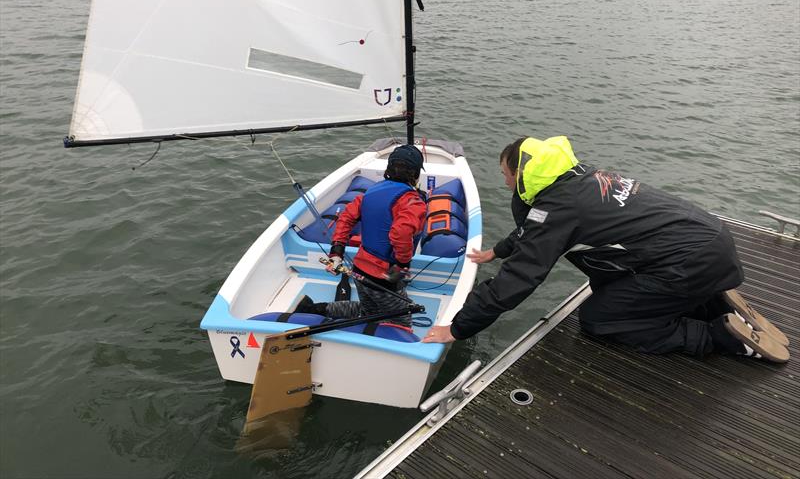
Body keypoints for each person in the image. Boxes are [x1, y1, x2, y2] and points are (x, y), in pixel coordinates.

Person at [422, 136, 790, 363]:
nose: (503, 182)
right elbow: (534, 231)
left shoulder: (556, 209)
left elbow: (520, 279)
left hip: (689, 262)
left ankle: (721, 337)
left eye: (505, 175)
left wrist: (458, 328)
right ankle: (713, 304)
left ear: (521, 175)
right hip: (710, 239)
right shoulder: (579, 178)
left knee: (600, 319)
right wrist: (497, 252)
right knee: (613, 286)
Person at [295, 144, 428, 328]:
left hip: (359, 269)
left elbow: (346, 218)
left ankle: (313, 309)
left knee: (368, 311)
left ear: (389, 168)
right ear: (415, 174)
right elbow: (401, 232)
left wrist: (336, 252)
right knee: (402, 319)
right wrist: (402, 264)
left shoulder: (371, 192)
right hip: (384, 276)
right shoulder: (413, 202)